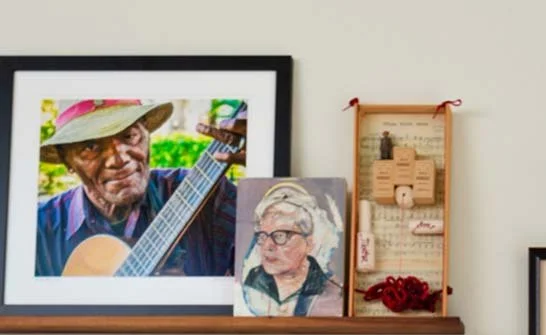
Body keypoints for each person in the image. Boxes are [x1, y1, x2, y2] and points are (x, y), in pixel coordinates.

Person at [36, 98, 244, 277]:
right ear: (67, 162)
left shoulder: (210, 193)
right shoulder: (40, 229)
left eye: (129, 136)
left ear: (147, 134)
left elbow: (266, 280)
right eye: (90, 147)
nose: (119, 159)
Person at [239, 182, 343, 316]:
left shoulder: (331, 295)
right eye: (263, 236)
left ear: (309, 243)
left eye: (280, 235)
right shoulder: (252, 283)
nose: (268, 246)